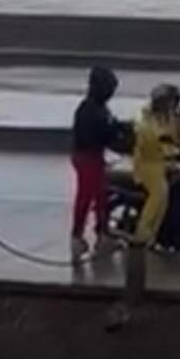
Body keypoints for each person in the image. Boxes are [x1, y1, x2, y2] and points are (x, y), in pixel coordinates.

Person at [70, 66, 126, 259]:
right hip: (87, 157)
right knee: (86, 198)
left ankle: (102, 234)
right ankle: (78, 237)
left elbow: (110, 125)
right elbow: (98, 134)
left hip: (93, 156)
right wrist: (115, 136)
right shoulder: (89, 110)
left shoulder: (96, 107)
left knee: (101, 197)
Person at [131, 83, 180, 248]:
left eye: (175, 102)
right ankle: (142, 234)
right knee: (160, 194)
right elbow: (145, 131)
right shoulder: (146, 114)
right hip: (147, 163)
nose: (172, 105)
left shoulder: (173, 117)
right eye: (169, 101)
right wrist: (162, 143)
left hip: (166, 163)